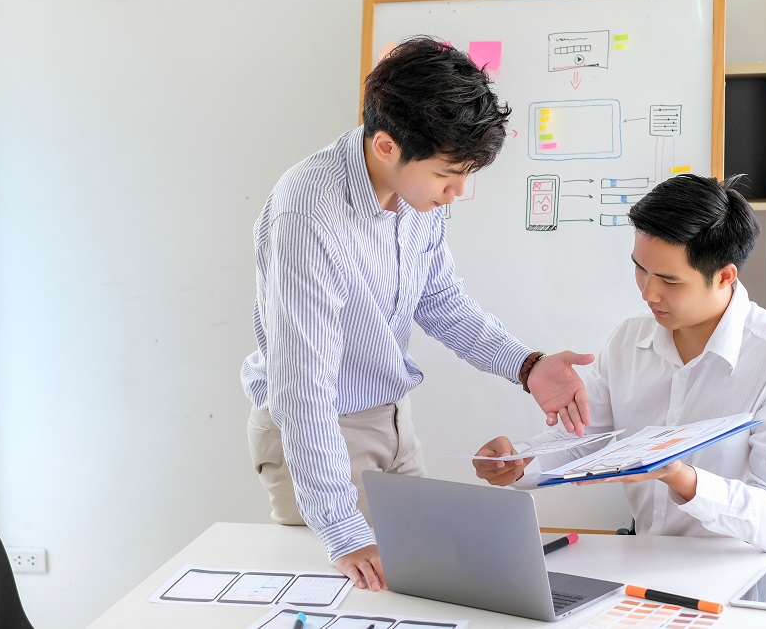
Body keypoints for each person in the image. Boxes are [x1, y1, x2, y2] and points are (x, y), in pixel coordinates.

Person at [241, 36, 595, 592]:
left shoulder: (415, 198)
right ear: (386, 146)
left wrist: (527, 367)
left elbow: (441, 301)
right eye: (447, 173)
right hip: (320, 429)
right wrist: (341, 529)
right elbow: (302, 385)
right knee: (358, 600)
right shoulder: (310, 212)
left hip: (393, 418)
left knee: (425, 585)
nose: (458, 191)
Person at [474, 173, 766, 553]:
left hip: (738, 569)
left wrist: (680, 477)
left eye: (669, 281)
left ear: (724, 276)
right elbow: (582, 442)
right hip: (643, 562)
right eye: (640, 269)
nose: (648, 293)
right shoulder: (630, 339)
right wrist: (519, 460)